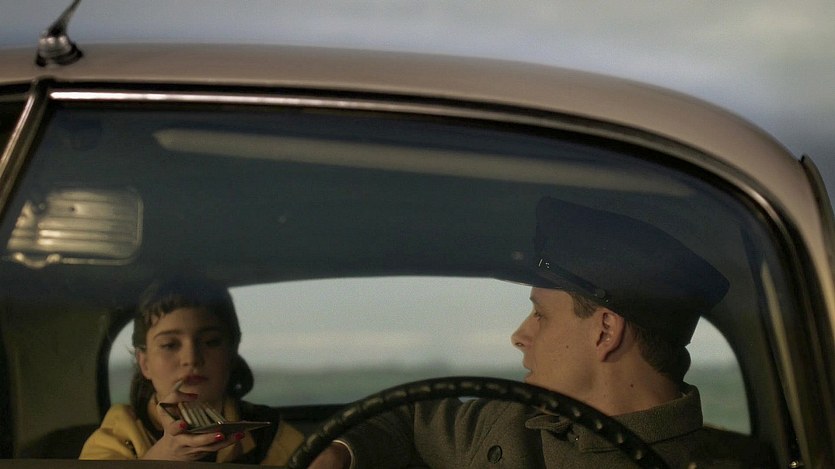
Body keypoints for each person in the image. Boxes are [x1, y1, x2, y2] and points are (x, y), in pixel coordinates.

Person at [310, 197, 775, 468]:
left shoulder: (714, 462)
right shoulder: (511, 423)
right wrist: (339, 453)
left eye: (541, 315)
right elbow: (405, 417)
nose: (519, 336)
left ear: (605, 331)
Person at [80, 276, 304, 464]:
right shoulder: (120, 434)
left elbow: (311, 457)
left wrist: (329, 453)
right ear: (145, 363)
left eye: (211, 342)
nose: (191, 359)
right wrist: (164, 456)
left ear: (231, 353)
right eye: (170, 345)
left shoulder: (266, 431)